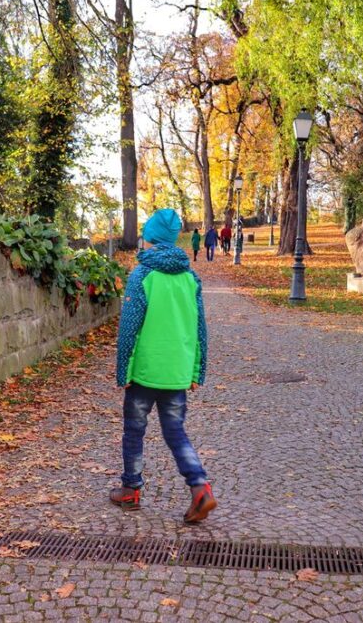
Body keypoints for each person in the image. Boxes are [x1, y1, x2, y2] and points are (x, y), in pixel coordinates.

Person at [112, 209, 217, 524]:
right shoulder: (190, 277)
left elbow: (129, 328)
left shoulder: (142, 275)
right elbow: (200, 327)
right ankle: (200, 487)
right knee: (175, 431)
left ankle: (131, 489)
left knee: (134, 430)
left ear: (150, 239)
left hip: (145, 370)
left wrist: (123, 371)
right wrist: (197, 371)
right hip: (176, 371)